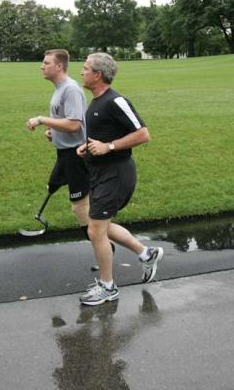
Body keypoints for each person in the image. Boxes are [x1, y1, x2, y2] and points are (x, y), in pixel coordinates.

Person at [76, 52, 163, 306]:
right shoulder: (96, 103)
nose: (81, 72)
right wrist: (87, 147)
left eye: (85, 68)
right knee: (100, 226)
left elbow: (144, 134)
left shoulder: (117, 101)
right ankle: (146, 254)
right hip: (101, 173)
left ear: (97, 74)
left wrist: (109, 147)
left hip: (116, 174)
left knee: (95, 230)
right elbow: (103, 136)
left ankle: (108, 287)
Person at [26, 49, 90, 234]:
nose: (42, 66)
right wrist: (54, 132)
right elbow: (66, 123)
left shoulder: (70, 89)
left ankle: (138, 250)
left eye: (46, 63)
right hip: (64, 153)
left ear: (59, 66)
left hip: (76, 155)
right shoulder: (61, 89)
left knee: (83, 213)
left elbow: (73, 125)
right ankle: (105, 252)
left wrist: (42, 119)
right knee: (54, 185)